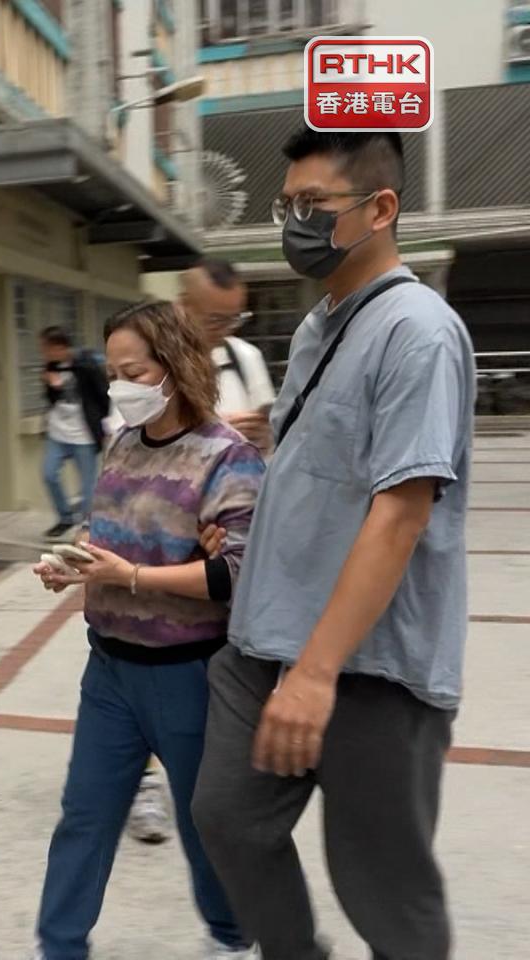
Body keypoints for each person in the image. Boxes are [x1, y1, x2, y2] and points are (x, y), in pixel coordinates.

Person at [191, 130, 475, 960]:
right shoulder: (321, 328)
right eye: (287, 206)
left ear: (381, 209)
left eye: (313, 206)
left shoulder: (419, 331)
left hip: (371, 667)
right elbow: (333, 460)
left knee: (383, 886)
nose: (294, 223)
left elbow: (401, 510)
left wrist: (316, 675)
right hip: (266, 640)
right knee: (226, 816)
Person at [30, 301, 264, 960]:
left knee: (203, 827)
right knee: (85, 816)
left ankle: (230, 938)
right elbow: (103, 529)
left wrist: (132, 576)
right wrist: (73, 561)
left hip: (187, 675)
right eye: (114, 372)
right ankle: (59, 947)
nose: (120, 387)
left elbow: (233, 574)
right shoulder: (121, 442)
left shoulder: (228, 457)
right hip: (108, 671)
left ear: (176, 365)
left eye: (134, 371)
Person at [126, 257, 279, 846]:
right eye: (211, 316)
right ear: (182, 304)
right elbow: (128, 453)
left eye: (232, 316)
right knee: (142, 655)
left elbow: (265, 441)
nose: (222, 327)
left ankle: (209, 774)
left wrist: (260, 434)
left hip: (225, 535)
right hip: (159, 536)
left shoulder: (245, 360)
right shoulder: (144, 366)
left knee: (215, 659)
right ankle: (143, 781)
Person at [180, 257, 277, 451]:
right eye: (215, 320)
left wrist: (263, 438)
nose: (226, 330)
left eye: (234, 318)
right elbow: (126, 447)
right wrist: (213, 433)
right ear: (184, 306)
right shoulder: (149, 362)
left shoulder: (246, 356)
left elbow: (266, 445)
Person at [39, 326, 109, 539]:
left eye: (47, 348)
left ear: (60, 347)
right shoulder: (51, 366)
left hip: (83, 436)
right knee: (49, 474)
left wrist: (105, 425)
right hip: (58, 434)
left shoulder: (86, 365)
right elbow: (51, 400)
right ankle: (65, 517)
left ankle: (87, 530)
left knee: (88, 487)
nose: (44, 352)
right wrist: (52, 387)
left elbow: (103, 395)